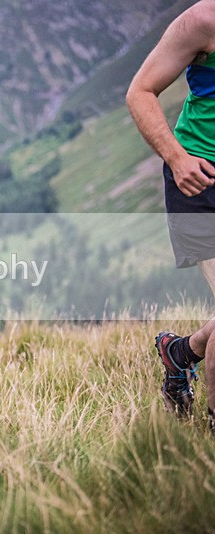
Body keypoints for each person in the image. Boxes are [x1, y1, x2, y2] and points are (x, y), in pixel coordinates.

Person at [126, 0, 215, 426]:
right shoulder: (203, 21)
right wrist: (177, 159)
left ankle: (181, 353)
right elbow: (139, 91)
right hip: (200, 178)